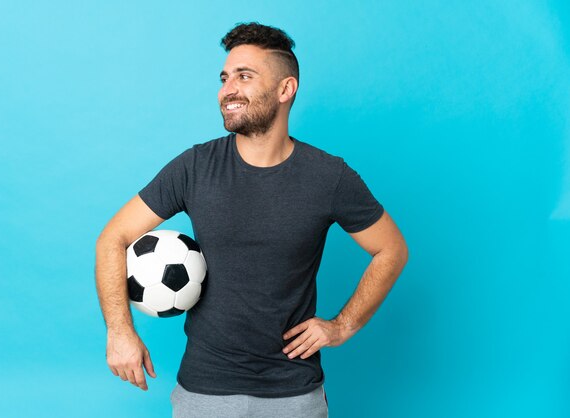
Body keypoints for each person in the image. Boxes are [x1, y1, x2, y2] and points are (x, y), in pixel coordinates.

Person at [95, 22, 408, 418]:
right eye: (225, 78)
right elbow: (113, 237)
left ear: (285, 89)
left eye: (244, 76)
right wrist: (120, 332)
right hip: (205, 390)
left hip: (294, 393)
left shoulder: (329, 177)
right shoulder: (195, 167)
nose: (228, 89)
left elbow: (392, 249)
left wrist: (342, 326)